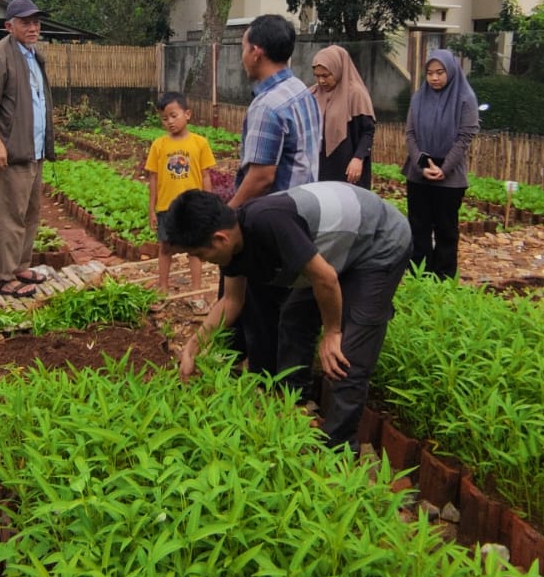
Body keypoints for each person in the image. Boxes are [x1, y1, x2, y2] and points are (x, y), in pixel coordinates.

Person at [164, 184, 411, 450]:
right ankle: (296, 403)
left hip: (379, 240)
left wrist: (332, 332)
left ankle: (339, 449)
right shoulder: (234, 243)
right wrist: (193, 347)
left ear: (220, 239)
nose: (202, 261)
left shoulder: (269, 222)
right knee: (294, 319)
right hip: (334, 249)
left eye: (200, 255)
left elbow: (326, 278)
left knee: (347, 355)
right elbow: (232, 301)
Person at [228, 14, 323, 374]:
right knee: (288, 308)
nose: (242, 56)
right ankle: (287, 379)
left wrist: (230, 213)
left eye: (243, 48)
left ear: (256, 51)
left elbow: (261, 178)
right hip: (303, 211)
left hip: (272, 220)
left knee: (262, 310)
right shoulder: (301, 90)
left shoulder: (268, 105)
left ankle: (264, 380)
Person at [0, 0, 56, 297]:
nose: (33, 28)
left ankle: (20, 265)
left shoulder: (33, 56)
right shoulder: (0, 55)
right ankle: (3, 276)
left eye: (36, 22)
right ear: (9, 26)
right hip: (11, 150)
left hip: (34, 149)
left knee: (30, 212)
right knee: (9, 215)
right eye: (26, 22)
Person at [404, 49, 479, 279]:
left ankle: (444, 278)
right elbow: (410, 134)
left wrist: (444, 168)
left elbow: (465, 137)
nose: (434, 78)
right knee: (419, 227)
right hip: (419, 171)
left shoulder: (465, 98)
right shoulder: (419, 97)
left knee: (446, 229)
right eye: (429, 73)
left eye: (440, 72)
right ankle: (419, 275)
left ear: (451, 72)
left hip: (450, 174)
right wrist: (421, 165)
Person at [144, 91, 216, 293]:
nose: (170, 122)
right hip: (166, 207)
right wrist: (152, 209)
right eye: (164, 118)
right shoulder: (159, 145)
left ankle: (196, 290)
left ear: (187, 114)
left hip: (192, 208)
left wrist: (208, 205)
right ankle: (163, 287)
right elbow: (153, 178)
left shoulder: (200, 143)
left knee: (194, 249)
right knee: (165, 247)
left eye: (173, 116)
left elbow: (206, 176)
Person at [310, 45, 376, 188]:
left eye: (326, 76)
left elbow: (367, 131)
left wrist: (358, 158)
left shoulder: (355, 94)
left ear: (338, 70)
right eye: (317, 76)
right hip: (320, 167)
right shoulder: (313, 94)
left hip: (348, 168)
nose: (321, 81)